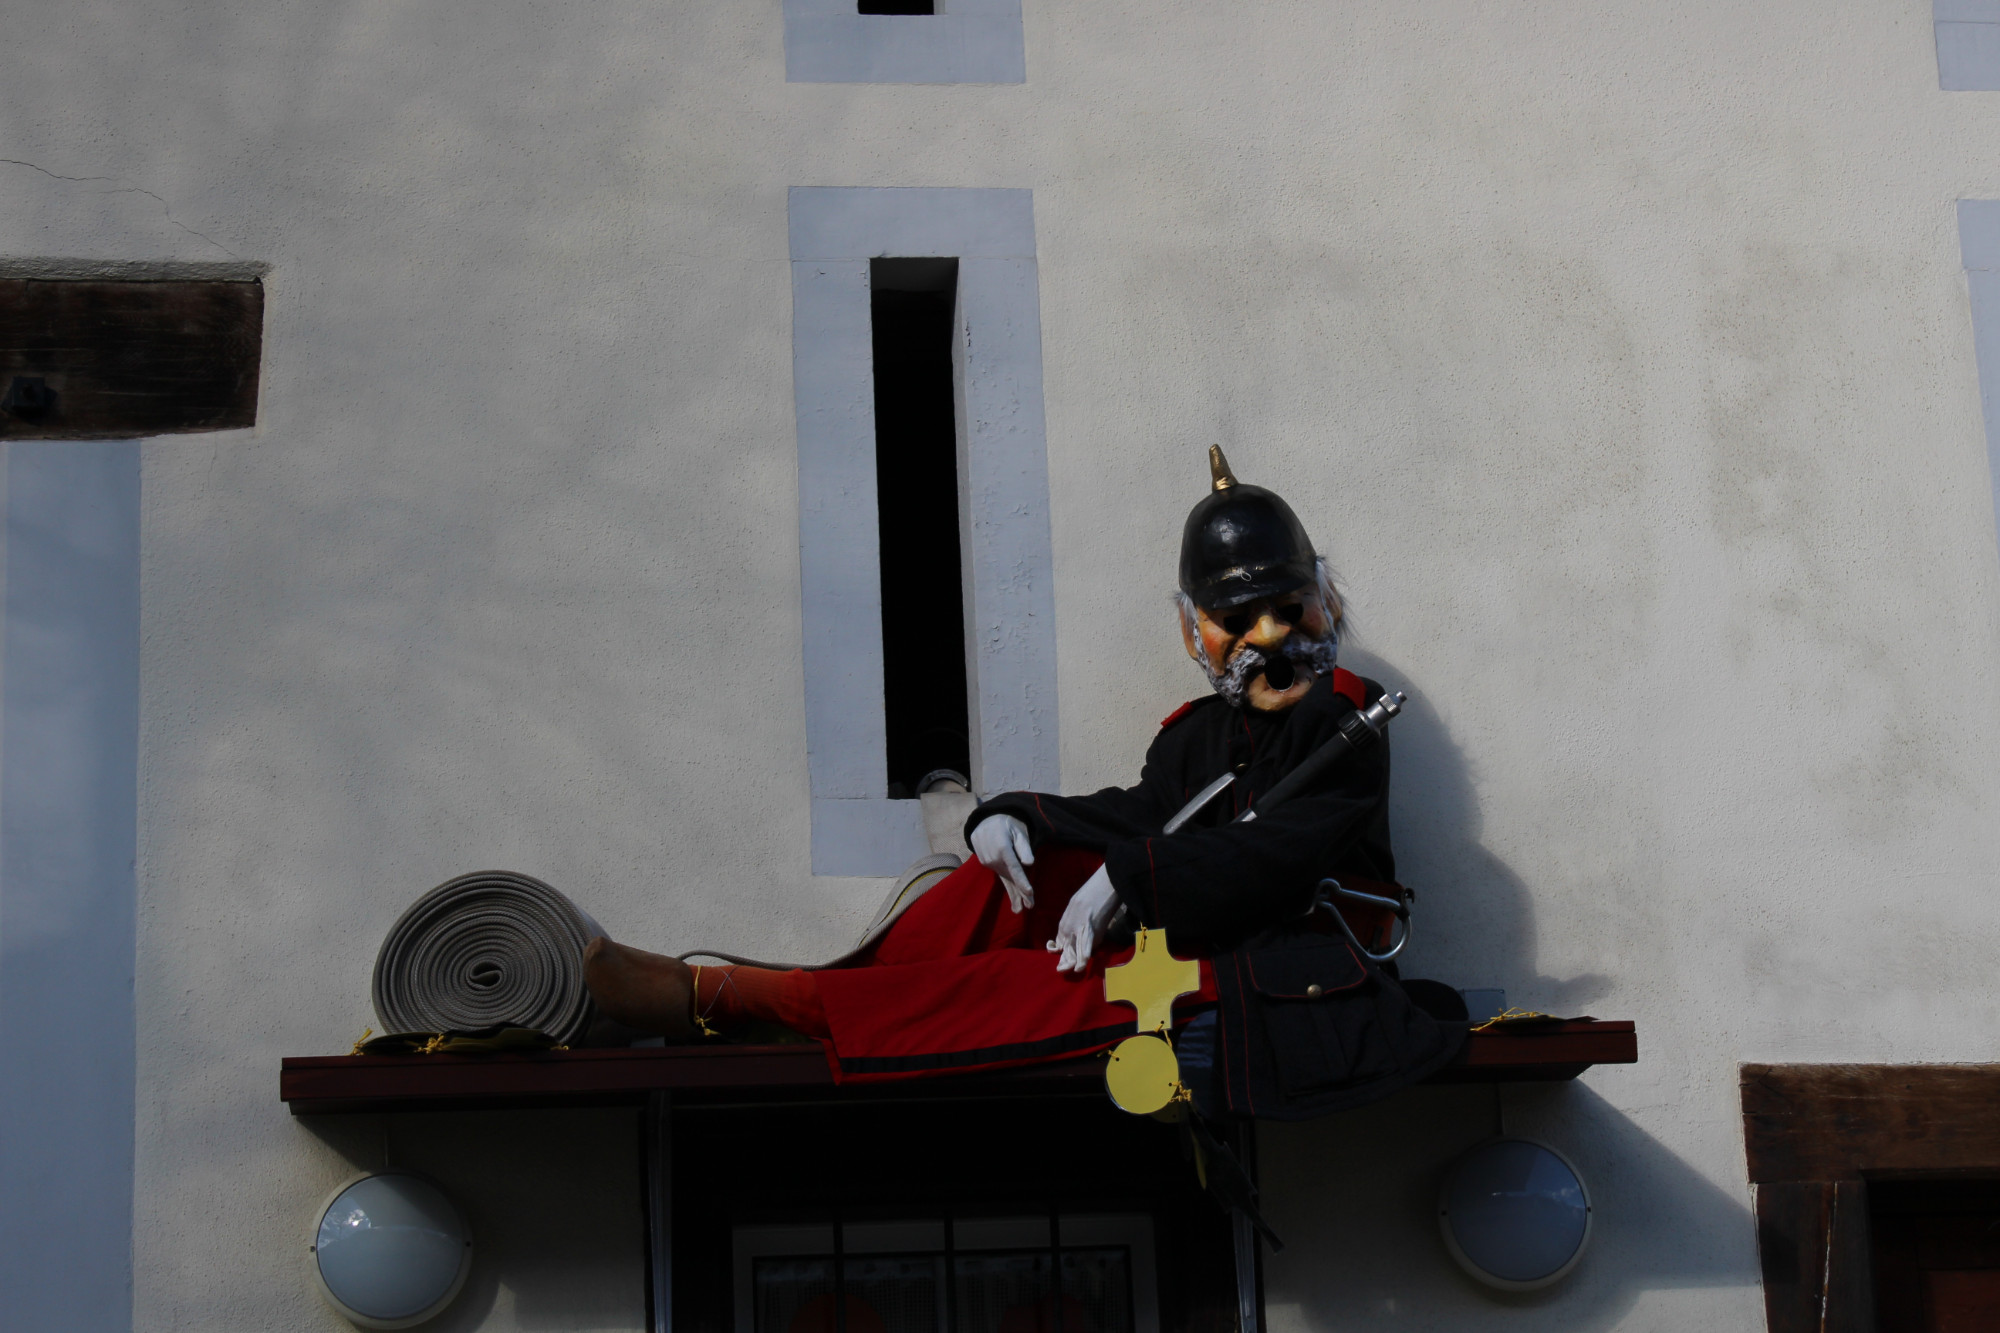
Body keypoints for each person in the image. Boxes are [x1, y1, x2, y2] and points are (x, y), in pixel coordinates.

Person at [584, 447, 1460, 1111]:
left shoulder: (1344, 716)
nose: (1268, 637)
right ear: (1195, 633)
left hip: (1270, 966)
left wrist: (1132, 873)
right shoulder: (1196, 735)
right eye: (1238, 618)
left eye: (1287, 606)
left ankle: (742, 1000)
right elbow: (1141, 815)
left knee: (1030, 990)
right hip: (1192, 939)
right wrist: (1015, 818)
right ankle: (818, 999)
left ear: (1324, 601)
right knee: (1013, 876)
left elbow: (1281, 854)